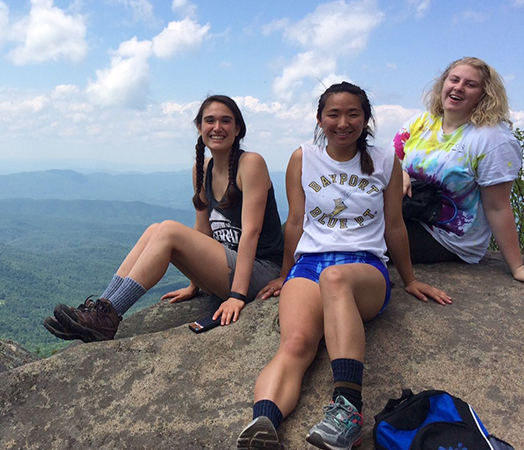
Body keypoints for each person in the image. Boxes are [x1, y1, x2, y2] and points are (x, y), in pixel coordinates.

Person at [236, 82, 450, 450]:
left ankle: (349, 409)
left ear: (366, 118)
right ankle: (264, 424)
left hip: (364, 269)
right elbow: (296, 222)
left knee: (335, 279)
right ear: (320, 119)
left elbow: (395, 224)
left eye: (353, 113)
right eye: (333, 114)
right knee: (296, 343)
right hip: (309, 265)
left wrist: (410, 279)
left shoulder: (385, 160)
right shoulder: (303, 157)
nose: (343, 122)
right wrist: (286, 274)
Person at [42, 94, 284, 343]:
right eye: (209, 120)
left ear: (238, 129)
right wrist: (196, 283)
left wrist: (237, 295)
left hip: (260, 272)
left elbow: (251, 233)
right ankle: (100, 311)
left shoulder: (251, 164)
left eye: (226, 121)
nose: (217, 127)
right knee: (154, 229)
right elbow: (203, 230)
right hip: (227, 267)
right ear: (199, 127)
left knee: (168, 230)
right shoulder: (202, 169)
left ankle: (109, 317)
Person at [394, 57, 524, 283]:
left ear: (485, 94)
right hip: (409, 214)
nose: (458, 87)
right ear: (443, 83)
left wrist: (518, 266)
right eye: (454, 80)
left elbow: (497, 207)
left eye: (470, 84)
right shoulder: (422, 122)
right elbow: (390, 160)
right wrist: (400, 173)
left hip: (448, 237)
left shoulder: (493, 140)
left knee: (362, 238)